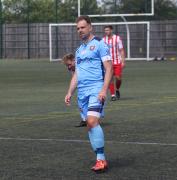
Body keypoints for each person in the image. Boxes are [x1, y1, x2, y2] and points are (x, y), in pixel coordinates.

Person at [64, 15, 113, 172]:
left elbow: (109, 68)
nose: (80, 30)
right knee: (90, 125)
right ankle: (100, 158)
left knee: (92, 122)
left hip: (96, 89)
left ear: (90, 27)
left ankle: (100, 159)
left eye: (83, 27)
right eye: (78, 28)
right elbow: (77, 74)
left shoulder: (100, 44)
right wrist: (69, 92)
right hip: (82, 93)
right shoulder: (79, 50)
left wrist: (104, 89)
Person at [62, 53, 87, 127]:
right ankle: (84, 120)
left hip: (90, 85)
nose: (69, 67)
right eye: (67, 65)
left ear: (74, 60)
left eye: (69, 64)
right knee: (80, 103)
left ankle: (92, 118)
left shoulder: (82, 65)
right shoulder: (71, 68)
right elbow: (74, 78)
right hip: (81, 86)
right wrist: (71, 92)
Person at [103, 25, 125, 101]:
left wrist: (123, 61)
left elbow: (121, 50)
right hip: (108, 62)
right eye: (105, 30)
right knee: (110, 79)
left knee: (118, 78)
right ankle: (113, 95)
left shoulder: (117, 38)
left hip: (117, 61)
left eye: (108, 30)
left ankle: (117, 89)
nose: (106, 32)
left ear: (111, 30)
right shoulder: (103, 40)